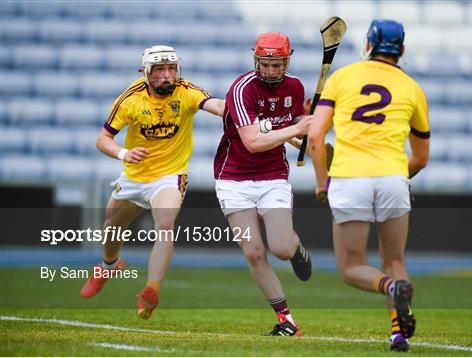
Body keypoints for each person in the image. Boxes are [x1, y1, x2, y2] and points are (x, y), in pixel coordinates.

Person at [308, 19, 430, 352]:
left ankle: (390, 287)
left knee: (351, 267)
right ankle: (398, 332)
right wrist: (398, 178)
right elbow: (420, 158)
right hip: (393, 178)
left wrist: (322, 182)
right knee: (395, 259)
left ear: (368, 45)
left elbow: (316, 137)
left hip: (350, 179)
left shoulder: (342, 78)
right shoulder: (413, 89)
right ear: (401, 50)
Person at [80, 45, 225, 320]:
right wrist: (124, 153)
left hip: (170, 176)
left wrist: (240, 109)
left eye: (171, 69)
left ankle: (151, 289)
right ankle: (109, 265)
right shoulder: (131, 98)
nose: (167, 75)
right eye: (159, 70)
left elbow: (216, 105)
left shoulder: (187, 91)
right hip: (135, 176)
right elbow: (102, 139)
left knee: (166, 224)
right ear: (146, 72)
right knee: (112, 225)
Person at [213, 32, 312, 336]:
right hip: (233, 179)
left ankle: (297, 250)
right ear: (256, 59)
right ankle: (286, 320)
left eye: (276, 64)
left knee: (280, 248)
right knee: (255, 253)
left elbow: (294, 132)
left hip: (272, 176)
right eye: (265, 63)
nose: (270, 70)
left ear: (286, 61)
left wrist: (307, 137)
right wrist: (295, 128)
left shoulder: (295, 87)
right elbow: (254, 142)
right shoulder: (242, 89)